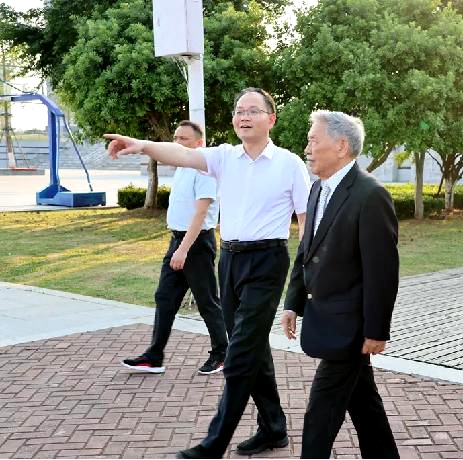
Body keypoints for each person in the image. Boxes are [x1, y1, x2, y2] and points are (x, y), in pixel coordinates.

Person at [106, 87, 311, 458]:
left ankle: (213, 444)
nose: (243, 116)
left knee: (239, 354)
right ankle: (273, 428)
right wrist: (142, 145)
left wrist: (305, 281)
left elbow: (306, 224)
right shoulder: (224, 157)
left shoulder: (289, 164)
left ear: (271, 118)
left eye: (252, 110)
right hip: (229, 260)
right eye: (239, 110)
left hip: (268, 261)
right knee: (252, 348)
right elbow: (183, 154)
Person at [281, 110, 400, 459]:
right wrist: (293, 301)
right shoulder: (318, 187)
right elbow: (306, 250)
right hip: (326, 317)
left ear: (341, 146)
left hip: (350, 327)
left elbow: (382, 271)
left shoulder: (370, 195)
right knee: (365, 405)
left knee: (321, 411)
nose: (307, 149)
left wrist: (376, 330)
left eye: (313, 140)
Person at [121, 120, 227, 375]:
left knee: (206, 301)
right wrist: (177, 247)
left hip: (196, 244)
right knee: (165, 297)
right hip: (178, 241)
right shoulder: (181, 169)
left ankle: (222, 353)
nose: (178, 143)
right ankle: (154, 356)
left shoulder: (204, 170)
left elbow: (201, 214)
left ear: (199, 143)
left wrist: (183, 250)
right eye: (176, 138)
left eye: (184, 139)